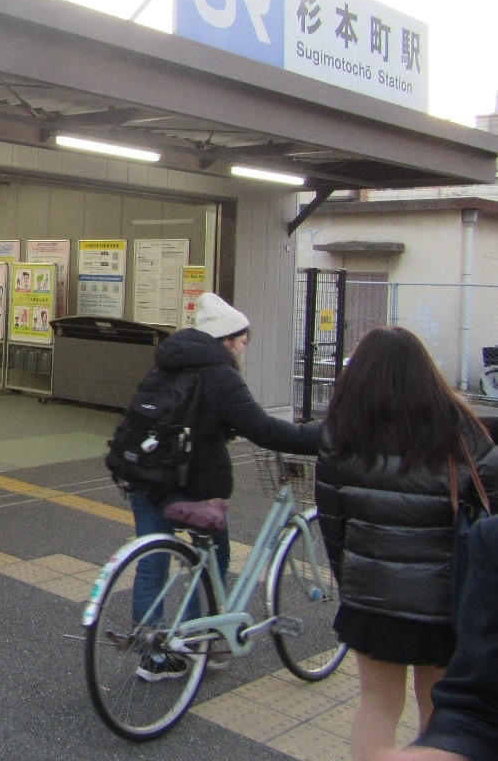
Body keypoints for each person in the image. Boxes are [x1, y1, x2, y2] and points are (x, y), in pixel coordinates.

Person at [315, 327, 498, 761]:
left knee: (376, 705)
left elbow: (332, 523)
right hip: (444, 604)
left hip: (370, 601)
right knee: (440, 709)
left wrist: (351, 583)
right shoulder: (462, 434)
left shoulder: (339, 436)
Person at [129, 292, 322, 681]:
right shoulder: (220, 375)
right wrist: (324, 436)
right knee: (212, 560)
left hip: (144, 476)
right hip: (193, 486)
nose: (243, 350)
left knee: (153, 563)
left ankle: (153, 657)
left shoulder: (165, 366)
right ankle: (199, 640)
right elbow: (264, 430)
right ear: (228, 340)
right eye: (243, 342)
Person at [375, 515, 498, 761]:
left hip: (375, 593)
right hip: (435, 600)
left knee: (378, 701)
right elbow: (475, 705)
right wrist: (444, 750)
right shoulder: (492, 540)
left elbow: (333, 524)